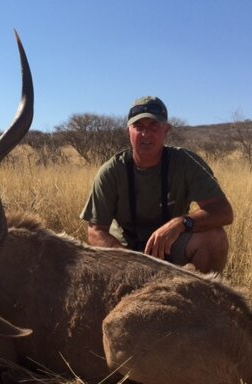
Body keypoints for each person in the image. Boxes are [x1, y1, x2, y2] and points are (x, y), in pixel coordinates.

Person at [80, 96, 233, 273]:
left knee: (215, 237)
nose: (146, 134)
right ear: (129, 130)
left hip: (170, 245)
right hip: (124, 253)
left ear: (166, 130)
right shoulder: (111, 171)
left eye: (154, 126)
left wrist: (182, 223)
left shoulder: (186, 163)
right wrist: (132, 262)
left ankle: (203, 298)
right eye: (139, 127)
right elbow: (95, 231)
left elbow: (224, 212)